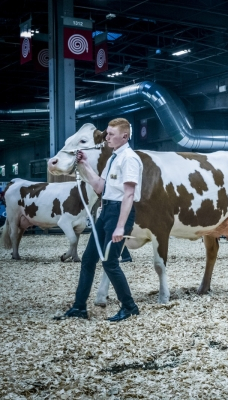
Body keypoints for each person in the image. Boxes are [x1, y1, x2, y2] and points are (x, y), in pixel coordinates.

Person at [56, 118, 142, 322]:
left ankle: (130, 307)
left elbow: (129, 195)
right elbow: (99, 186)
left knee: (110, 263)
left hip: (119, 213)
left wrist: (120, 227)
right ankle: (79, 307)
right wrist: (84, 164)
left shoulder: (129, 158)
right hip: (106, 212)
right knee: (88, 260)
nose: (107, 137)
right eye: (107, 133)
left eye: (111, 134)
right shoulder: (113, 158)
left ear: (125, 136)